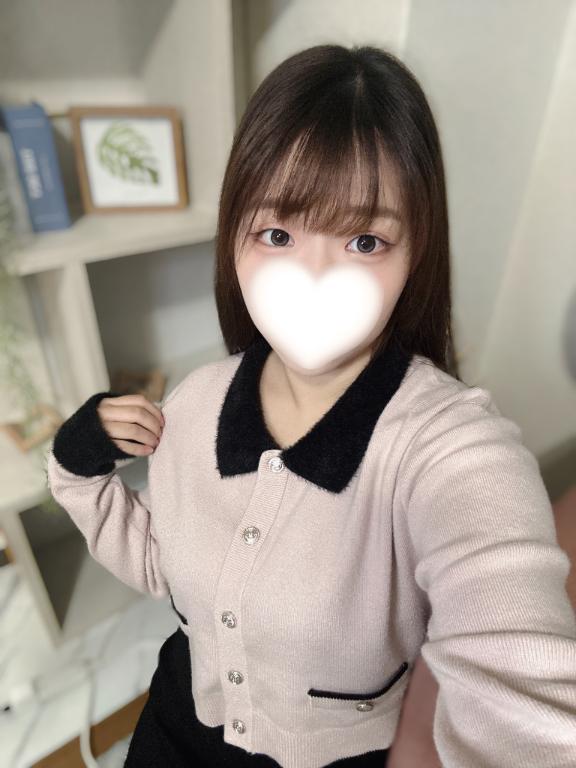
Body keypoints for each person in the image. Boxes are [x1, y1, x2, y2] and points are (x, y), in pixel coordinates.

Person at [45, 44, 576, 767]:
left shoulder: (446, 447)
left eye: (364, 240)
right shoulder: (195, 404)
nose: (314, 277)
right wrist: (79, 465)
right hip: (176, 725)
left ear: (415, 251)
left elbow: (518, 680)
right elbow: (164, 563)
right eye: (278, 234)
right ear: (234, 236)